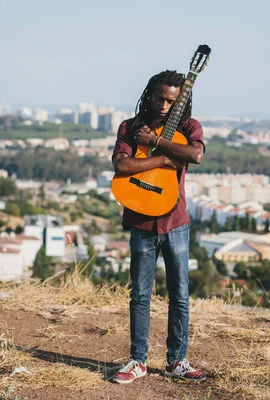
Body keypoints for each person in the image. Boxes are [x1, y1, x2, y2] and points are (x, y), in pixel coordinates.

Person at [111, 70, 207, 384]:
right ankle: (137, 360)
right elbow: (123, 165)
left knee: (179, 294)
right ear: (151, 93)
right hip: (141, 221)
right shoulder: (130, 126)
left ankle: (176, 361)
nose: (164, 106)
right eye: (160, 98)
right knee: (140, 295)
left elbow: (195, 154)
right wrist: (161, 160)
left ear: (181, 100)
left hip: (175, 222)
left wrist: (157, 142)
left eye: (171, 100)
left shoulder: (188, 127)